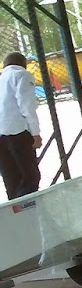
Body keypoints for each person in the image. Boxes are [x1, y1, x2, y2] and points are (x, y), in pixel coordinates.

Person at [0, 52, 43, 201]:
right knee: (31, 176)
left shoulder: (1, 78)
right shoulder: (21, 75)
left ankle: (15, 208)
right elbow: (27, 106)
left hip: (1, 134)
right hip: (17, 131)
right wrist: (35, 133)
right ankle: (27, 207)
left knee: (11, 177)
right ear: (23, 64)